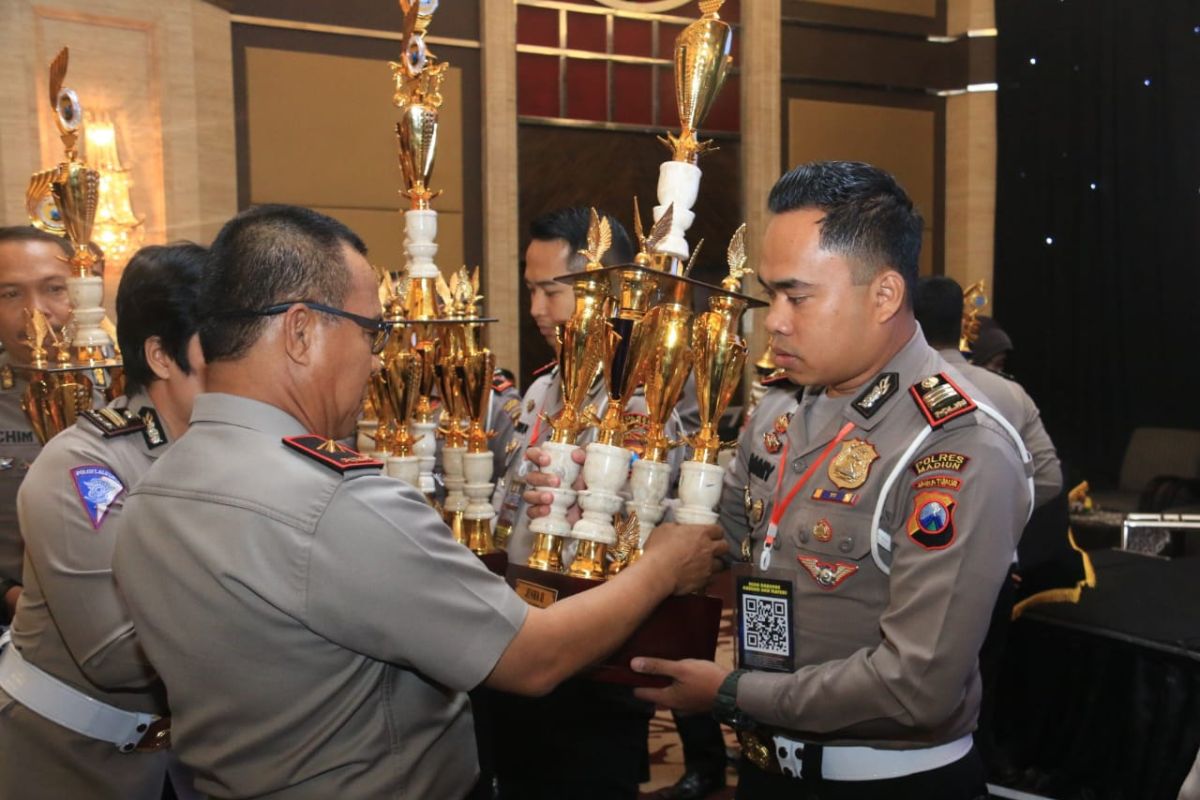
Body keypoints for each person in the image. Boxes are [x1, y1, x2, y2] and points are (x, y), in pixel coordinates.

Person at [109, 204, 725, 800]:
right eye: (370, 331)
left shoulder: (153, 486)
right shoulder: (336, 504)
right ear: (300, 331)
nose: (378, 359)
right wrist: (663, 567)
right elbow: (534, 658)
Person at [619, 161, 1032, 799]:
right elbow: (717, 545)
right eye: (770, 294)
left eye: (797, 296)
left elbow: (916, 688)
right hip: (764, 770)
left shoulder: (955, 446)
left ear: (885, 295)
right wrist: (602, 510)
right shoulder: (780, 410)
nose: (775, 321)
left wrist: (731, 693)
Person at [0, 244, 208, 799]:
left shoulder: (228, 451)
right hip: (69, 761)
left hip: (190, 760)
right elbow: (117, 655)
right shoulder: (87, 465)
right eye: (221, 345)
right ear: (162, 357)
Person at [487, 206, 665, 800]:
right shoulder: (544, 388)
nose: (536, 309)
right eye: (530, 289)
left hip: (592, 649)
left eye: (551, 291)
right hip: (524, 627)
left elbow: (642, 524)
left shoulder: (636, 404)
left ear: (600, 293)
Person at [914, 276, 1061, 507]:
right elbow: (1049, 480)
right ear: (963, 326)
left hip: (912, 532)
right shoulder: (1011, 393)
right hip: (994, 537)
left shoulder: (892, 389)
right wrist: (998, 511)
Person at [0, 226, 77, 626]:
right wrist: (10, 598)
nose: (36, 311)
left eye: (53, 289)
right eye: (11, 294)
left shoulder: (119, 387)